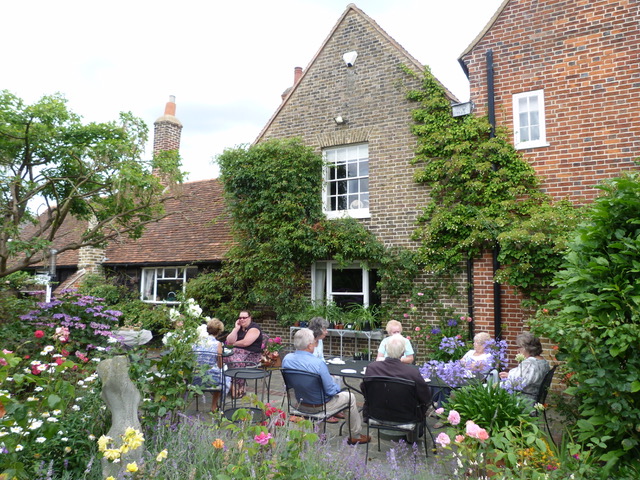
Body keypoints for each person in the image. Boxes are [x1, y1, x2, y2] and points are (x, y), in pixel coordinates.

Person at [282, 328, 371, 445]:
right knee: (350, 397)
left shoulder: (286, 359)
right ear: (309, 346)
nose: (315, 345)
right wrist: (337, 388)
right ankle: (355, 435)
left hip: (298, 404)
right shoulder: (318, 364)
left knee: (317, 392)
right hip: (319, 406)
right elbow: (330, 391)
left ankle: (319, 436)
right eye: (314, 343)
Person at [363, 335, 432, 418]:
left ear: (386, 349)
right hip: (407, 417)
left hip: (376, 415)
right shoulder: (412, 373)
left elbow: (365, 391)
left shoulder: (372, 368)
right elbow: (425, 397)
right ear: (403, 352)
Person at [193, 317, 231, 412]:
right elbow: (220, 365)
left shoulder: (196, 341)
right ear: (219, 331)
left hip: (194, 378)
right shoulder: (217, 344)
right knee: (225, 377)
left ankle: (196, 395)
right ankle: (214, 406)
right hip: (210, 379)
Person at [499, 332, 550, 399]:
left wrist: (496, 385)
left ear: (527, 348)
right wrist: (509, 375)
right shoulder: (543, 362)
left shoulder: (530, 363)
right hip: (532, 396)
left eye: (519, 347)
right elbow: (527, 377)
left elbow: (517, 383)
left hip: (523, 399)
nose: (518, 351)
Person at [225, 310, 263, 398]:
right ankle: (228, 384)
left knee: (235, 361)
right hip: (236, 353)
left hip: (252, 355)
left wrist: (233, 344)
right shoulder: (239, 328)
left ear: (250, 318)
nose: (242, 319)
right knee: (222, 358)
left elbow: (246, 342)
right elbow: (229, 340)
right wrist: (236, 329)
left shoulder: (254, 328)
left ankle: (240, 387)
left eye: (244, 318)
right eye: (240, 318)